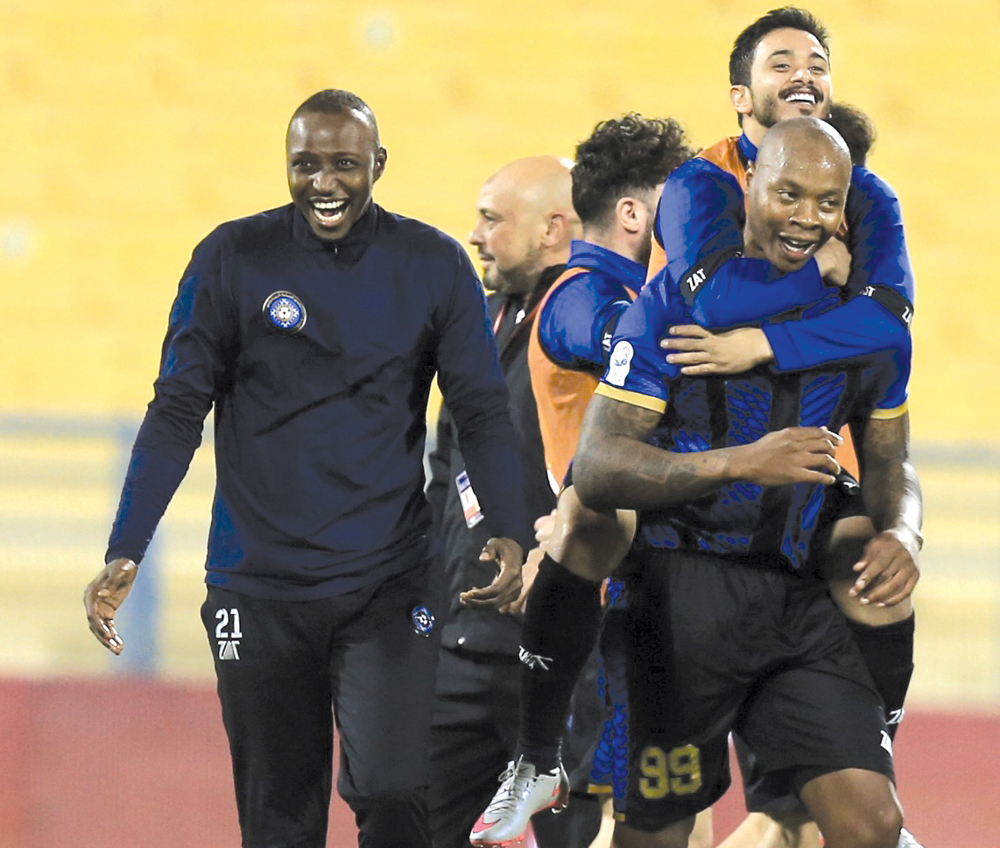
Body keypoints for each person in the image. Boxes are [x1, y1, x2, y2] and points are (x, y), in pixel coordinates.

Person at [82, 89, 535, 848]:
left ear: (378, 164)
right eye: (306, 165)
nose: (324, 183)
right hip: (258, 587)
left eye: (344, 165)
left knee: (394, 791)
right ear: (286, 165)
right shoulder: (230, 258)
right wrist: (127, 544)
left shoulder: (432, 264)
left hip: (388, 582)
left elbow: (482, 412)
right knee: (279, 822)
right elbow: (175, 412)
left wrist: (510, 527)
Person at [573, 116, 921, 848]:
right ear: (751, 183)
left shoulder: (865, 323)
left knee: (873, 823)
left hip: (797, 602)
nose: (806, 218)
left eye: (827, 202)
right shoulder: (673, 304)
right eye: (788, 194)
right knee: (657, 833)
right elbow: (598, 467)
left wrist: (902, 530)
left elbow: (891, 460)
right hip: (677, 599)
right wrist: (739, 462)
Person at [470, 114, 699, 848]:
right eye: (674, 201)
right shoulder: (580, 294)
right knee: (624, 821)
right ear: (633, 213)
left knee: (681, 817)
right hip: (611, 607)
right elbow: (625, 346)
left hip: (667, 590)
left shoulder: (643, 289)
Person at [425, 155, 604, 848]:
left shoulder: (592, 320)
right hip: (462, 642)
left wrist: (558, 550)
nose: (475, 235)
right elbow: (445, 465)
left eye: (492, 220)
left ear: (553, 228)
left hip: (558, 651)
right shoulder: (481, 320)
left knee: (571, 834)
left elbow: (617, 466)